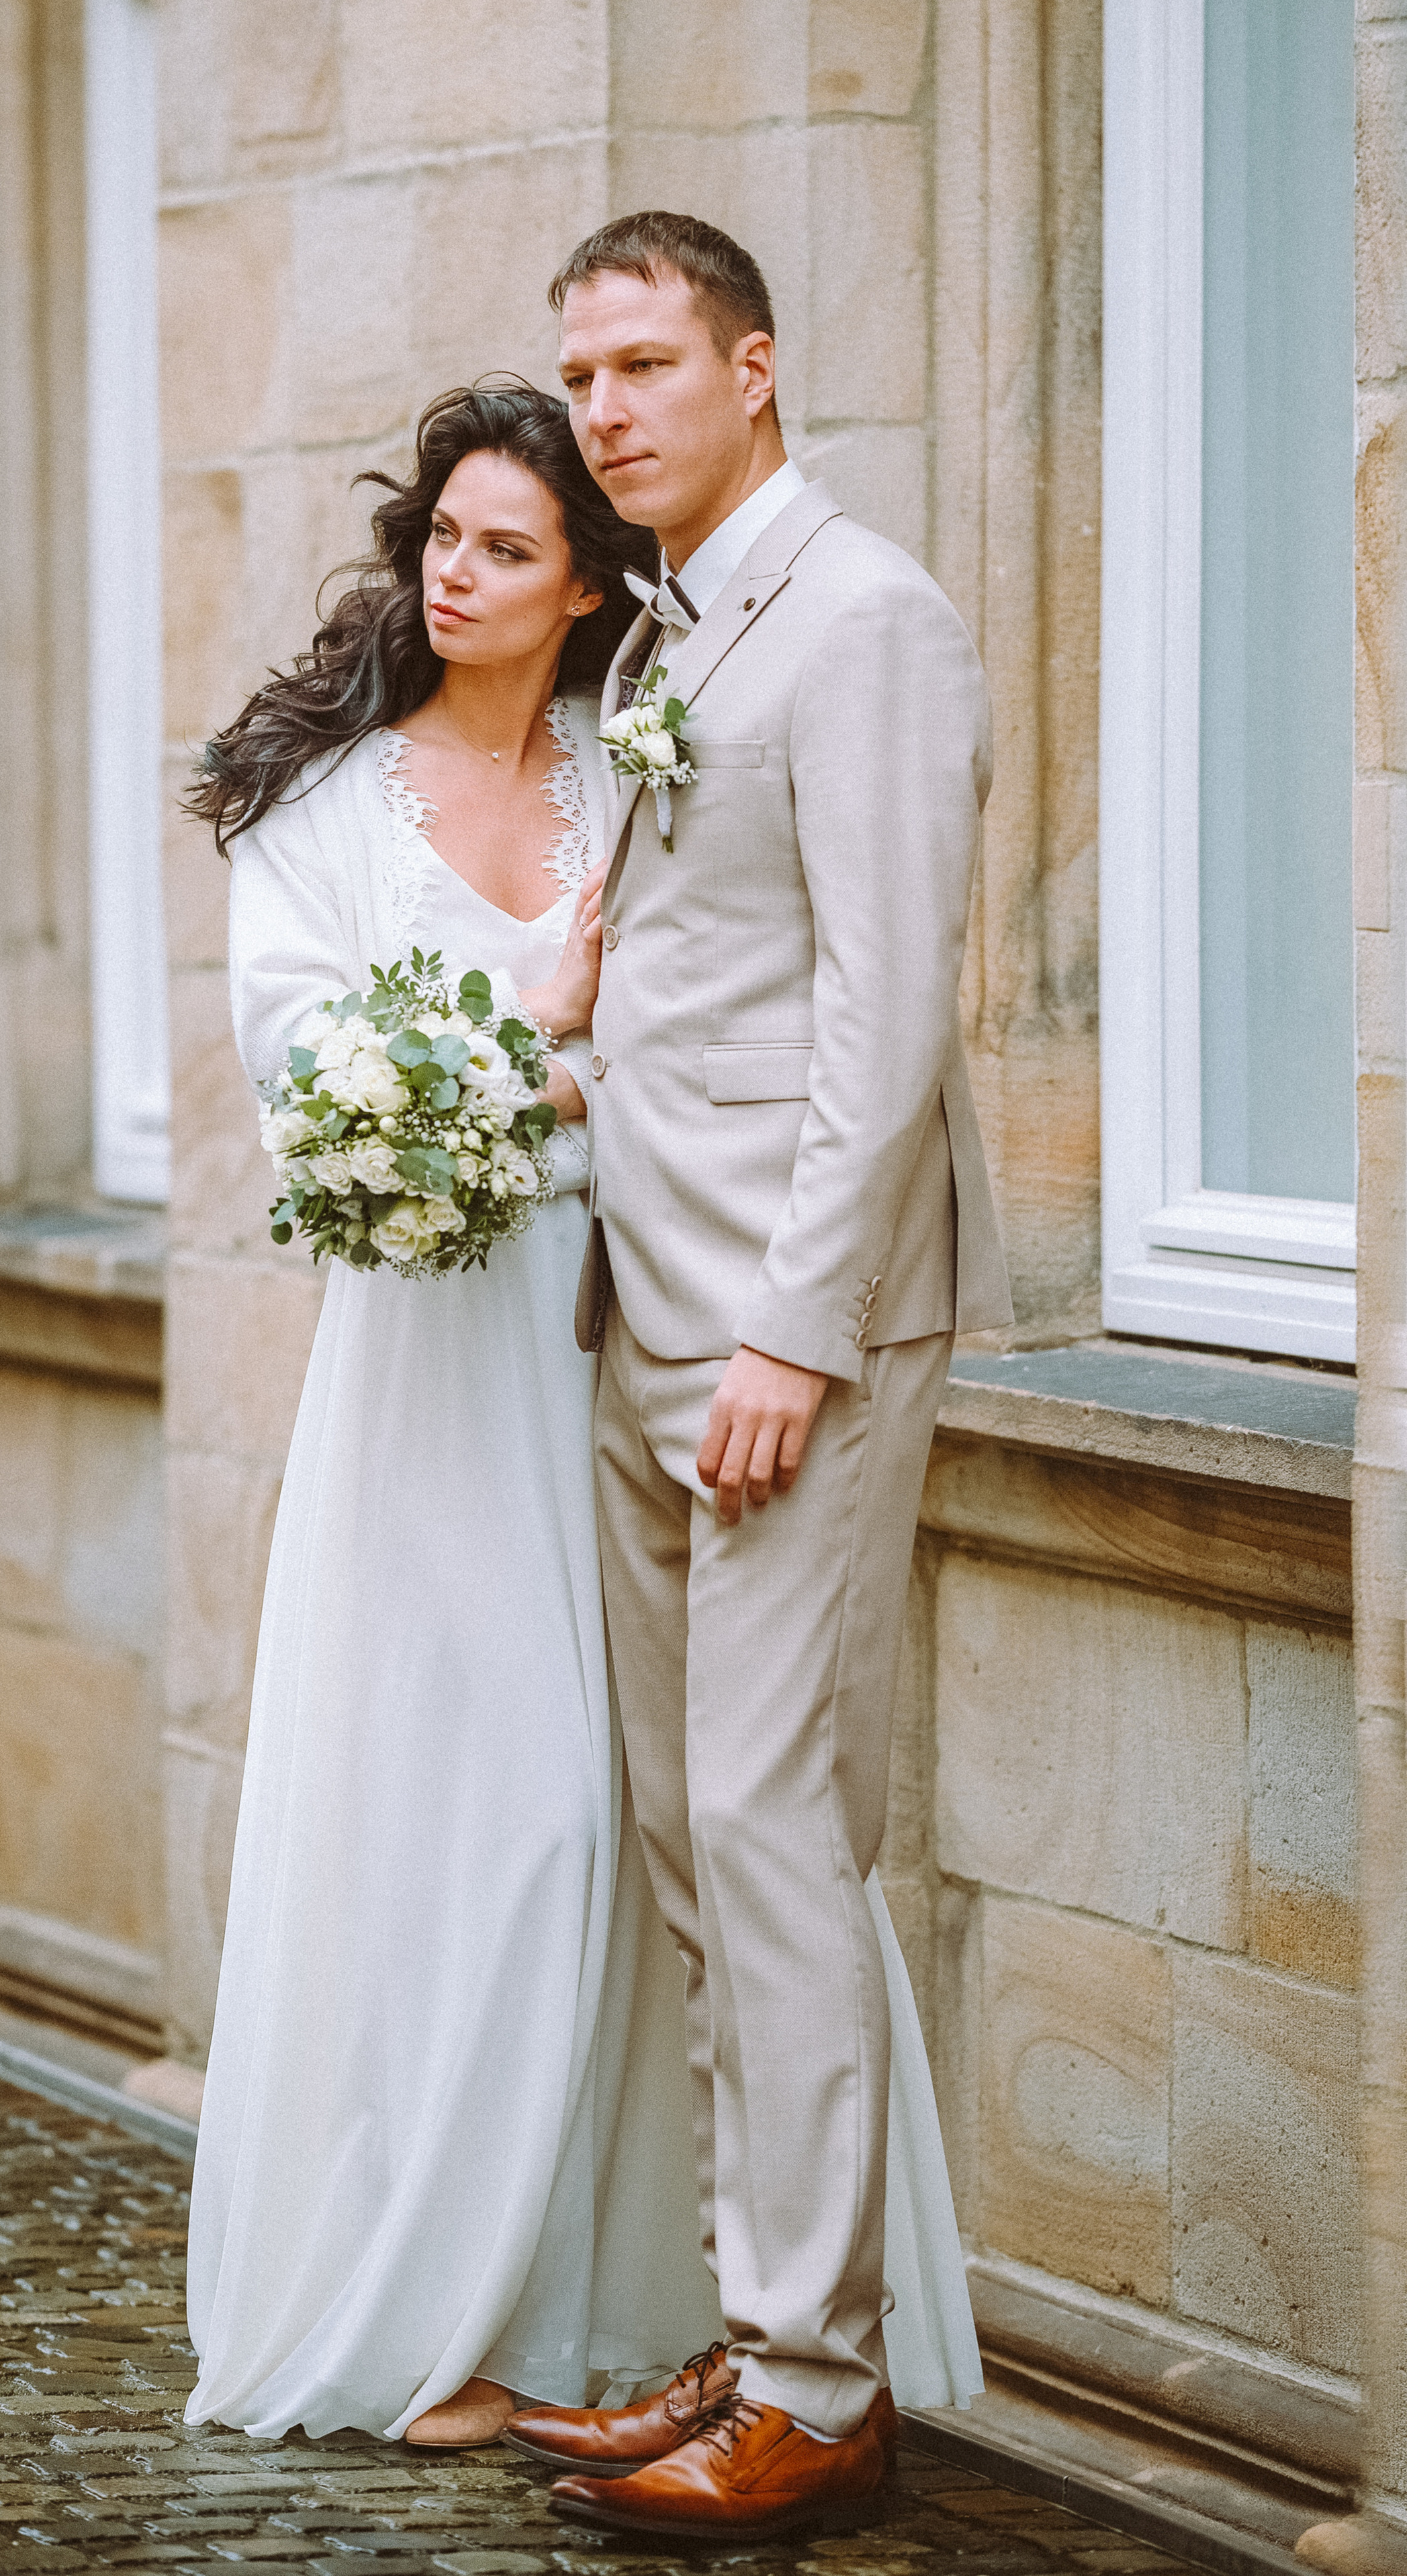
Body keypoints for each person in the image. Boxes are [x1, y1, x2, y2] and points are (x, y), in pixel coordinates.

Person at [182, 373, 981, 2458]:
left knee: (651, 1827)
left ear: (586, 585)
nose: (459, 575)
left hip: (628, 1334)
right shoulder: (321, 808)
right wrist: (540, 1041)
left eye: (508, 547)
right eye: (443, 537)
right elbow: (317, 1100)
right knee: (480, 1816)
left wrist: (602, 1076)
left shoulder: (638, 765)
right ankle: (423, 2302)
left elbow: (750, 1013)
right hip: (436, 1360)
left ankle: (643, 2309)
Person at [502, 215, 1011, 2542]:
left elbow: (892, 1012)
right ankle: (755, 2311)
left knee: (784, 1841)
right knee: (703, 1844)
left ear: (756, 368)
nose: (604, 414)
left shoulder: (870, 617)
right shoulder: (664, 640)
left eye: (640, 367)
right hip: (641, 1309)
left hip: (786, 1343)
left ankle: (819, 2379)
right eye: (580, 378)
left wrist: (798, 1329)